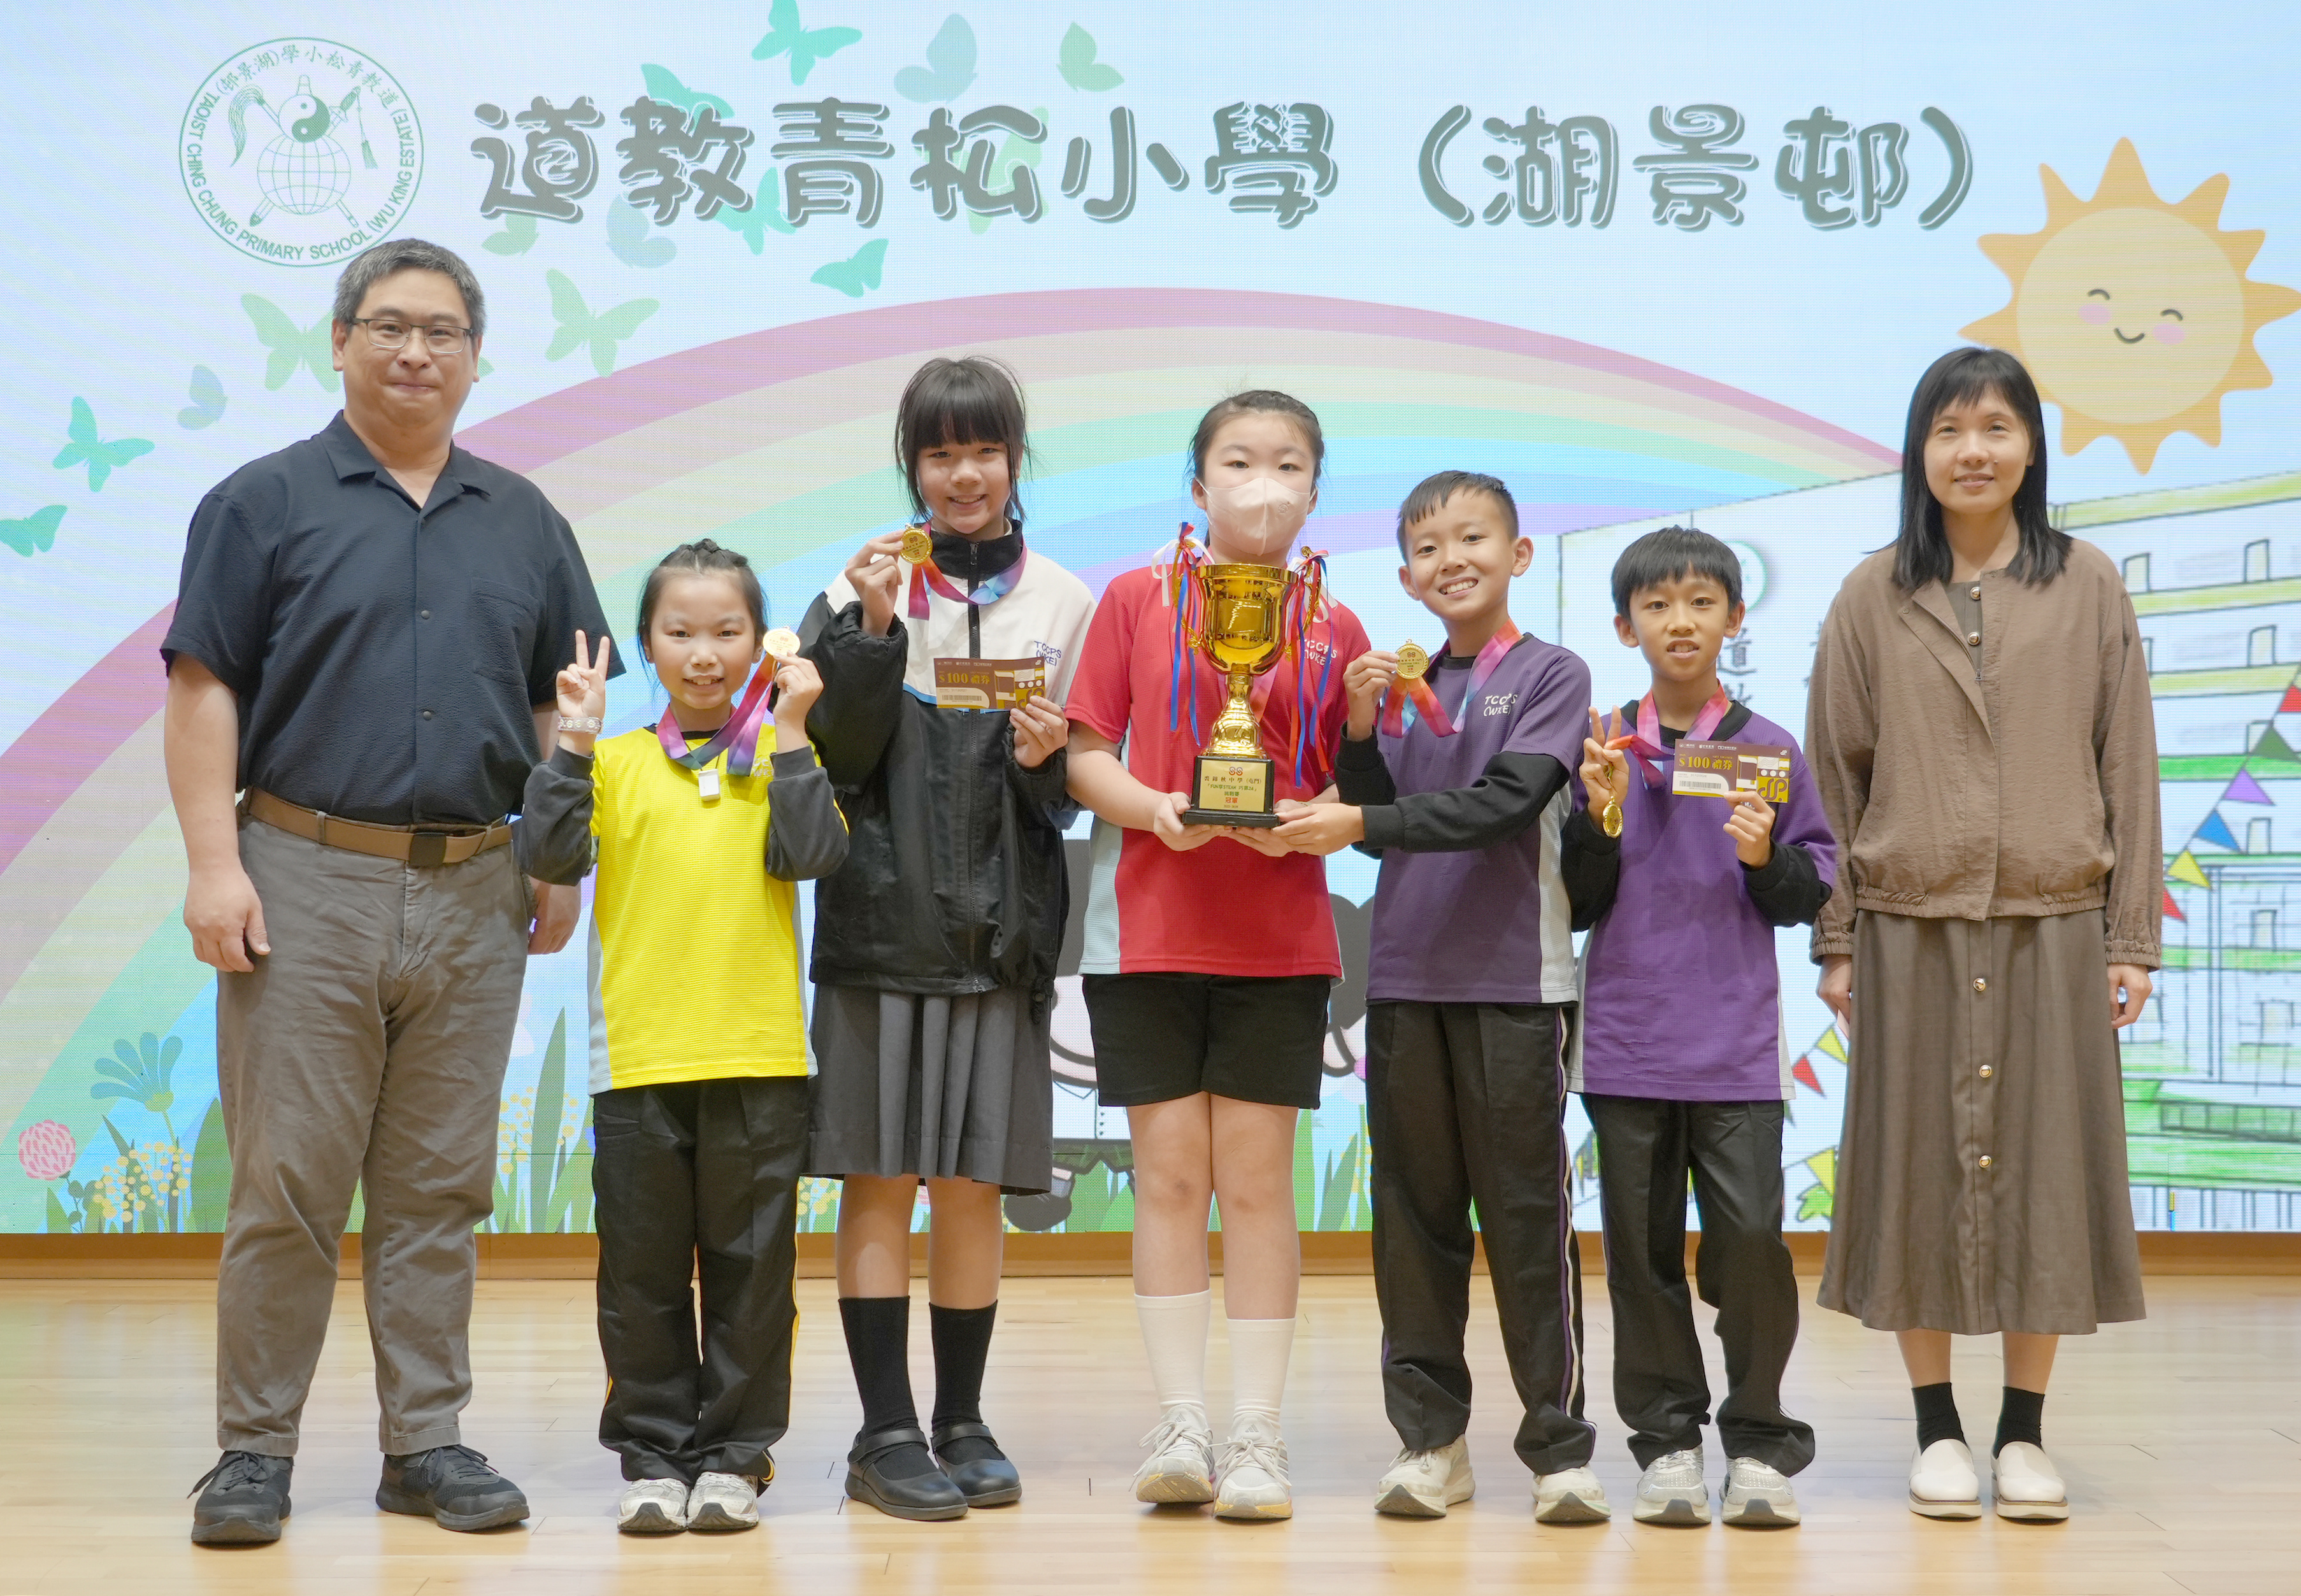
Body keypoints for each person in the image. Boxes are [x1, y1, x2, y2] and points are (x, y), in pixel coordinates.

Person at [162, 239, 619, 1546]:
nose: (416, 351)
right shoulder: (260, 502)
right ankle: (253, 1451)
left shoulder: (525, 518)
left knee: (438, 1186)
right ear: (341, 341)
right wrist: (213, 862)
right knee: (287, 1182)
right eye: (388, 325)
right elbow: (203, 688)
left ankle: (426, 1442)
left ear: (475, 356)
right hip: (301, 877)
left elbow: (561, 706)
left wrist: (555, 859)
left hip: (478, 885)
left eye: (442, 331)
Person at [1807, 346, 2160, 1523]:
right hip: (1908, 922)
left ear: (2031, 447)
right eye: (1950, 430)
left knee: (2047, 1175)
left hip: (2055, 919)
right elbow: (1835, 779)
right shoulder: (1870, 594)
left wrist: (2128, 936)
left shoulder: (2089, 583)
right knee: (1914, 1169)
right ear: (1919, 451)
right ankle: (1936, 1429)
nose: (1974, 451)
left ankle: (2023, 1431)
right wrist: (1838, 936)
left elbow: (2128, 762)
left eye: (1997, 428)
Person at [1276, 471, 1608, 1525]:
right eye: (1427, 546)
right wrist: (1359, 728)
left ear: (1518, 555)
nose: (1450, 559)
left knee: (1527, 1217)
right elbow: (1377, 820)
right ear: (1407, 574)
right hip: (1406, 982)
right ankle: (1430, 1442)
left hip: (1518, 983)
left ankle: (1559, 1449)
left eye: (1472, 538)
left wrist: (1361, 820)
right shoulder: (1399, 680)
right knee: (1412, 1220)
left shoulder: (1553, 672)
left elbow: (1504, 803)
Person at [798, 357, 1095, 1521]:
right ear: (912, 466)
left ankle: (962, 1418)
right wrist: (874, 628)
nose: (964, 475)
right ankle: (884, 1430)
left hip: (1001, 939)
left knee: (972, 1187)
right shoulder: (854, 587)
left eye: (984, 451)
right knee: (879, 1181)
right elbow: (834, 759)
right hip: (880, 928)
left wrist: (1046, 761)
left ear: (1015, 460)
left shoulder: (1064, 602)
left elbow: (1070, 792)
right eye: (940, 453)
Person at [1066, 390, 1371, 1523]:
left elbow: (1347, 784)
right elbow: (1086, 752)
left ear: (1314, 489)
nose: (1263, 481)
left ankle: (1256, 1431)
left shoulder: (1337, 626)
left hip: (1277, 939)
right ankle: (1182, 1422)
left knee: (1254, 1183)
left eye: (1288, 462)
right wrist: (1154, 809)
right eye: (1239, 460)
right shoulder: (1135, 598)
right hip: (1146, 930)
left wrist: (1319, 811)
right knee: (1167, 1178)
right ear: (1198, 486)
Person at [517, 541, 847, 1534]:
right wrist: (572, 743)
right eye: (680, 631)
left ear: (761, 644)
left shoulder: (784, 754)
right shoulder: (615, 761)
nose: (704, 652)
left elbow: (815, 853)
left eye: (727, 631)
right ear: (648, 646)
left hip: (760, 1058)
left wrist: (795, 730)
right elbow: (549, 853)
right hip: (638, 1063)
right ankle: (655, 1455)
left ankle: (736, 1458)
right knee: (642, 1275)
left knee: (754, 1275)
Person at [1562, 525, 1835, 1528]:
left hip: (1734, 1049)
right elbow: (1574, 901)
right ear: (1624, 626)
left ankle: (1759, 1440)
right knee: (1640, 1255)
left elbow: (1809, 889)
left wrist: (1766, 857)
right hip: (1625, 1042)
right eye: (1658, 604)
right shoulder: (1603, 744)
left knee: (1752, 1242)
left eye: (1701, 602)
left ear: (1735, 617)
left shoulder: (1769, 749)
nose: (1680, 621)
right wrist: (1597, 817)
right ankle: (1668, 1441)